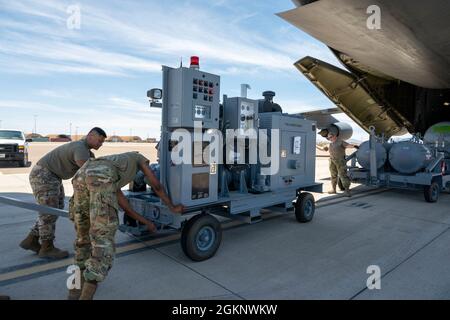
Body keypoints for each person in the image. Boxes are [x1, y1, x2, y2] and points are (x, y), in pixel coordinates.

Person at [69, 151, 184, 300]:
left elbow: (127, 207)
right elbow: (156, 185)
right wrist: (172, 207)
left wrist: (147, 222)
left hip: (81, 173)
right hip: (100, 175)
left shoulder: (115, 169)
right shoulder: (140, 158)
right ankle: (85, 297)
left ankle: (73, 292)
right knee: (102, 244)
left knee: (83, 240)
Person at [20, 128, 107, 259]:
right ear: (90, 136)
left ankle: (32, 239)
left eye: (102, 142)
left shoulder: (87, 152)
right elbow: (87, 172)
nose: (101, 144)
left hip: (52, 176)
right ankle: (47, 247)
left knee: (56, 208)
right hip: (44, 175)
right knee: (48, 211)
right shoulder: (80, 148)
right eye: (99, 141)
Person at [317, 132, 358, 197]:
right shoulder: (329, 144)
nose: (329, 139)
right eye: (328, 138)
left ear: (335, 136)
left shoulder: (341, 142)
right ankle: (333, 189)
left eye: (330, 137)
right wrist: (315, 145)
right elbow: (323, 149)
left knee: (343, 175)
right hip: (332, 161)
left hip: (340, 161)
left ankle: (347, 191)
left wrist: (354, 146)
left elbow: (348, 145)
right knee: (333, 175)